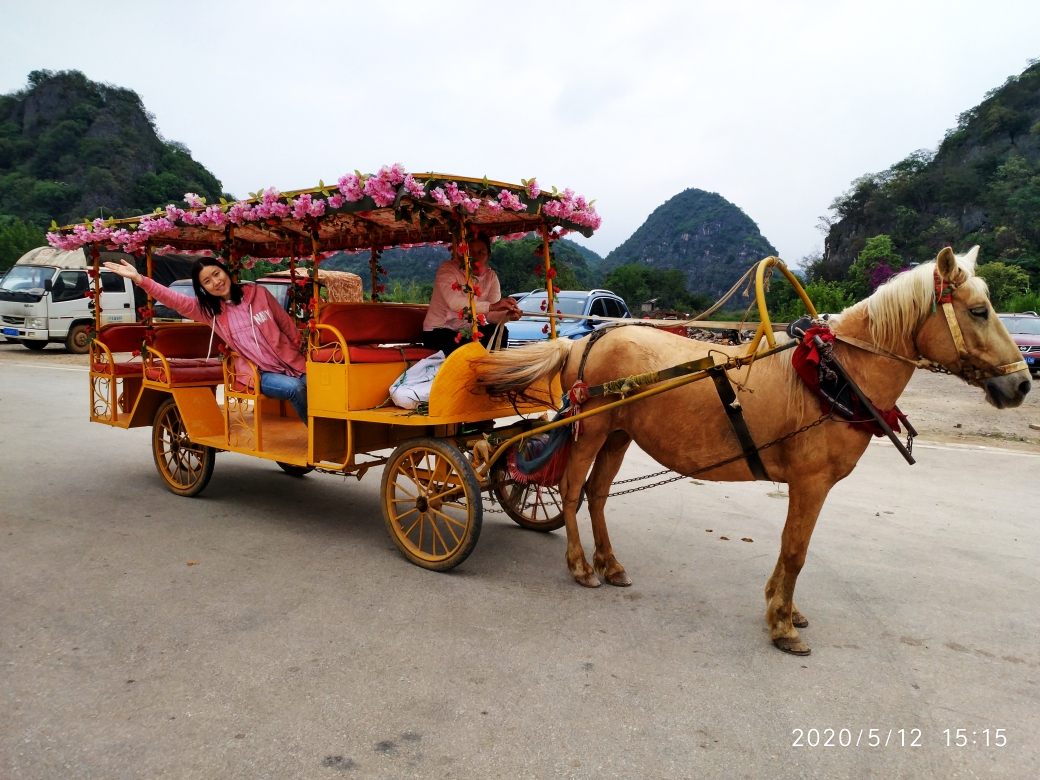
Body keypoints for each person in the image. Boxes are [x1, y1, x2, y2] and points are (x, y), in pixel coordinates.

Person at [102, 257, 310, 425]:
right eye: (207, 282)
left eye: (216, 274)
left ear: (225, 271)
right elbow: (173, 299)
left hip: (292, 363)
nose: (216, 282)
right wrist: (140, 279)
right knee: (295, 388)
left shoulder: (260, 294)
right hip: (259, 374)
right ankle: (316, 435)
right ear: (203, 289)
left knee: (319, 384)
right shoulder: (210, 311)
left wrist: (307, 356)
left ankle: (334, 433)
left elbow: (287, 327)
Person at [422, 232, 521, 355]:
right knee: (467, 346)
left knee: (499, 330)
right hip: (439, 331)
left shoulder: (491, 277)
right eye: (470, 251)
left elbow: (490, 316)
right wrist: (491, 306)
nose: (474, 257)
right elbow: (455, 303)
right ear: (463, 252)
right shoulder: (447, 269)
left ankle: (494, 372)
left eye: (481, 252)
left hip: (468, 331)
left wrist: (507, 315)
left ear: (488, 256)